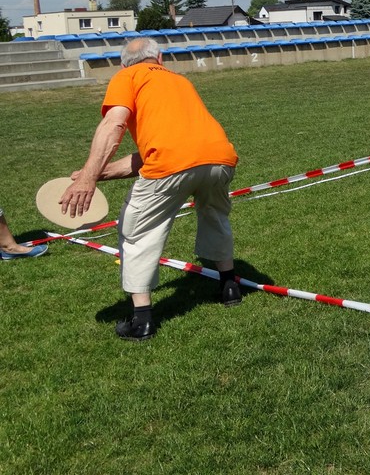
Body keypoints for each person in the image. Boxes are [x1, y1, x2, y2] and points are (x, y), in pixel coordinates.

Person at [59, 36, 241, 341]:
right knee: (215, 217)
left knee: (136, 232)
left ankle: (141, 320)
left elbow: (114, 125)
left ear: (123, 64)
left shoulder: (127, 76)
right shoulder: (180, 81)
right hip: (221, 158)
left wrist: (87, 177)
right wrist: (96, 173)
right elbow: (158, 150)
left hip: (175, 164)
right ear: (159, 59)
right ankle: (229, 286)